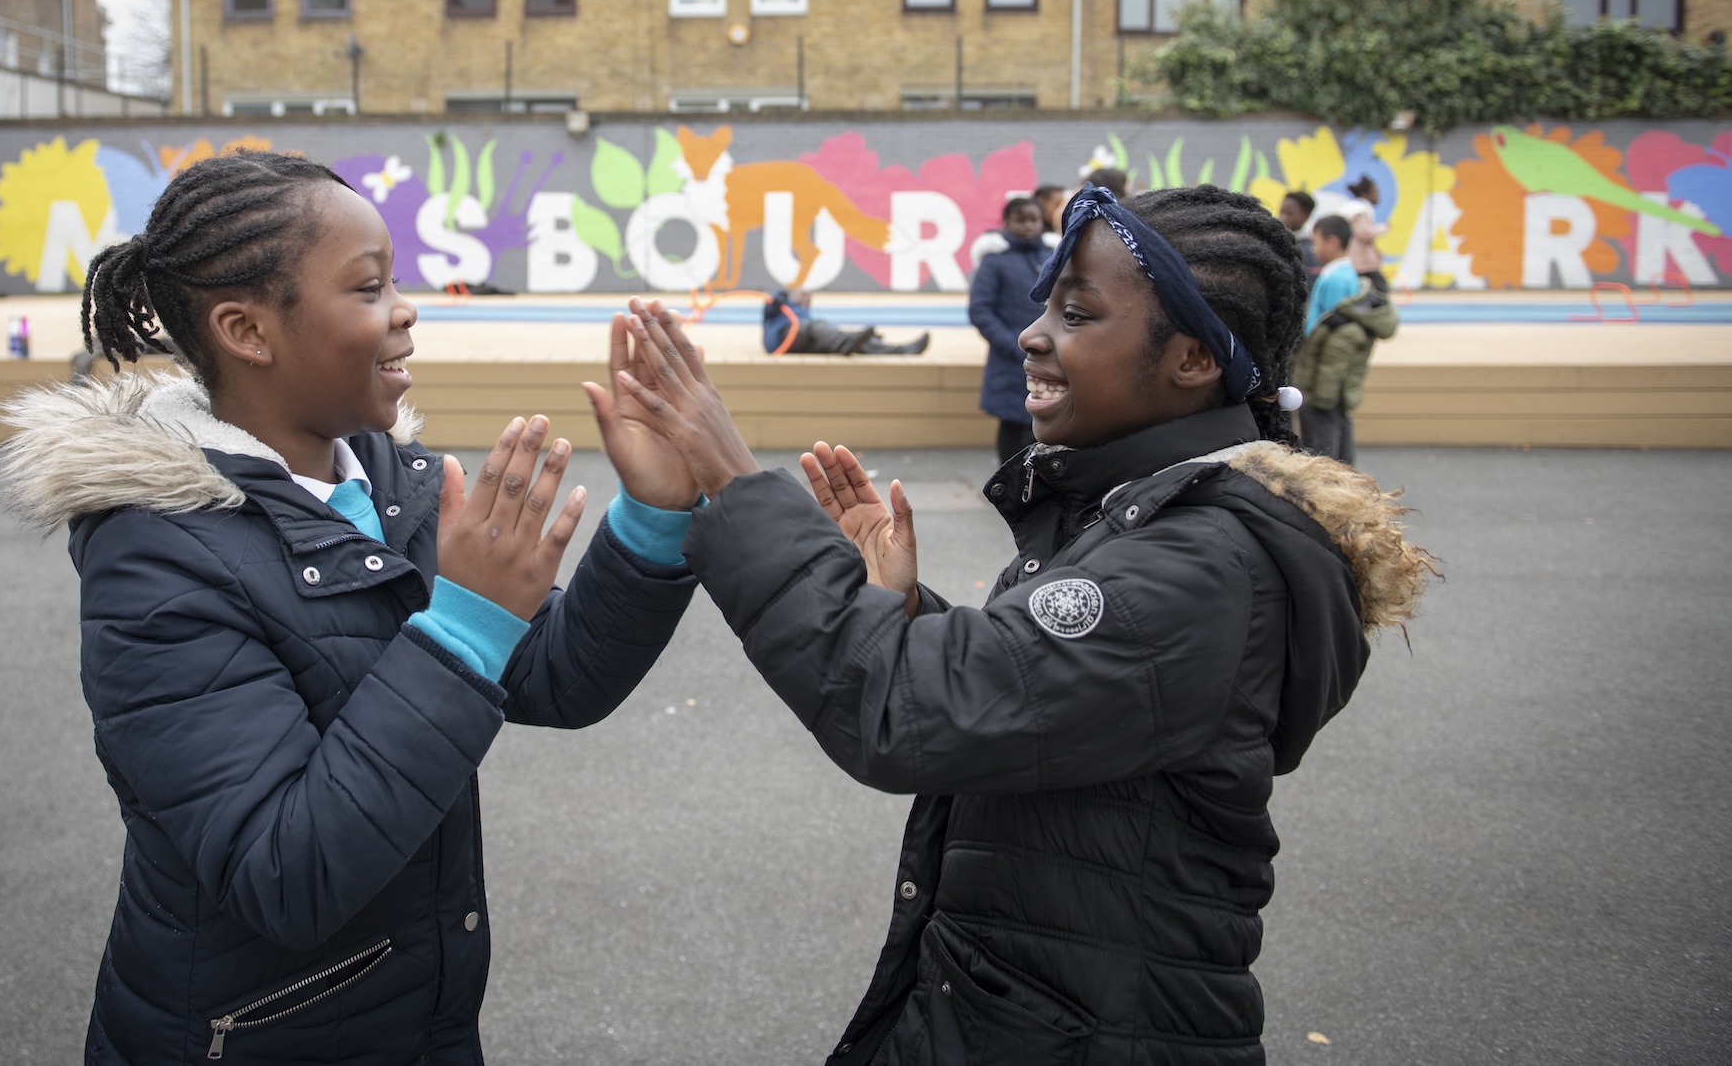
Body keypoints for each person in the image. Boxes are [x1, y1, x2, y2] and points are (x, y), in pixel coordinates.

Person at [603, 183, 1433, 1065]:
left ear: (1192, 359)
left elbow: (912, 708)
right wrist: (903, 610)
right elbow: (1033, 689)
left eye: (1076, 313)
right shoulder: (1145, 520)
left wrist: (735, 482)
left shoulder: (1202, 567)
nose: (1035, 332)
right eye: (1045, 304)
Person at [0, 150, 701, 1064]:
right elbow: (286, 872)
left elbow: (553, 676)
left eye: (395, 280)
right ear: (248, 330)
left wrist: (651, 517)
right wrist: (459, 628)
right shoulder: (157, 559)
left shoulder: (387, 480)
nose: (405, 309)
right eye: (369, 287)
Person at [966, 196, 1049, 462]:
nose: (1028, 226)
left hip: (1051, 359)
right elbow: (980, 310)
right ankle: (1009, 490)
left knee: (1048, 424)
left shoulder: (1053, 256)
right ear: (1007, 222)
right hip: (1010, 363)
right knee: (1014, 428)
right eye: (1020, 220)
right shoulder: (994, 261)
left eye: (1033, 219)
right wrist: (1015, 347)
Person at [1293, 269, 1398, 468]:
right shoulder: (1356, 324)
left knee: (1322, 452)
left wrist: (1317, 400)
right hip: (1337, 396)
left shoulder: (1345, 328)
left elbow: (1331, 368)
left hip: (1323, 397)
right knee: (1341, 445)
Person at [1299, 215, 1364, 462]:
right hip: (1332, 366)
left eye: (1316, 242)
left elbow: (1334, 332)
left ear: (1333, 241)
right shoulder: (1348, 273)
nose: (1313, 250)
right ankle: (1345, 474)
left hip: (1325, 366)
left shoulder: (1334, 277)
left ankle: (1328, 479)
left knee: (1322, 426)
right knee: (1338, 419)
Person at [764, 288, 930, 355]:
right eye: (802, 293)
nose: (805, 297)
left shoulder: (806, 315)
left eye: (808, 297)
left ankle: (901, 350)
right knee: (818, 327)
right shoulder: (780, 306)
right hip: (781, 340)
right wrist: (780, 298)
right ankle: (845, 342)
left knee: (858, 343)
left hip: (803, 342)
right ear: (792, 294)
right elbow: (769, 308)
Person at [1336, 176, 1389, 290]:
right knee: (1379, 290)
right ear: (1365, 194)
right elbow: (1364, 233)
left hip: (1359, 262)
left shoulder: (1354, 208)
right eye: (1375, 192)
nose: (1377, 196)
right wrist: (1383, 228)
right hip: (1361, 264)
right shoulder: (1358, 210)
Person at [1278, 190, 1319, 277]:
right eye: (1281, 212)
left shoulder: (1311, 250)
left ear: (1306, 215)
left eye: (1289, 213)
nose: (1283, 218)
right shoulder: (1274, 242)